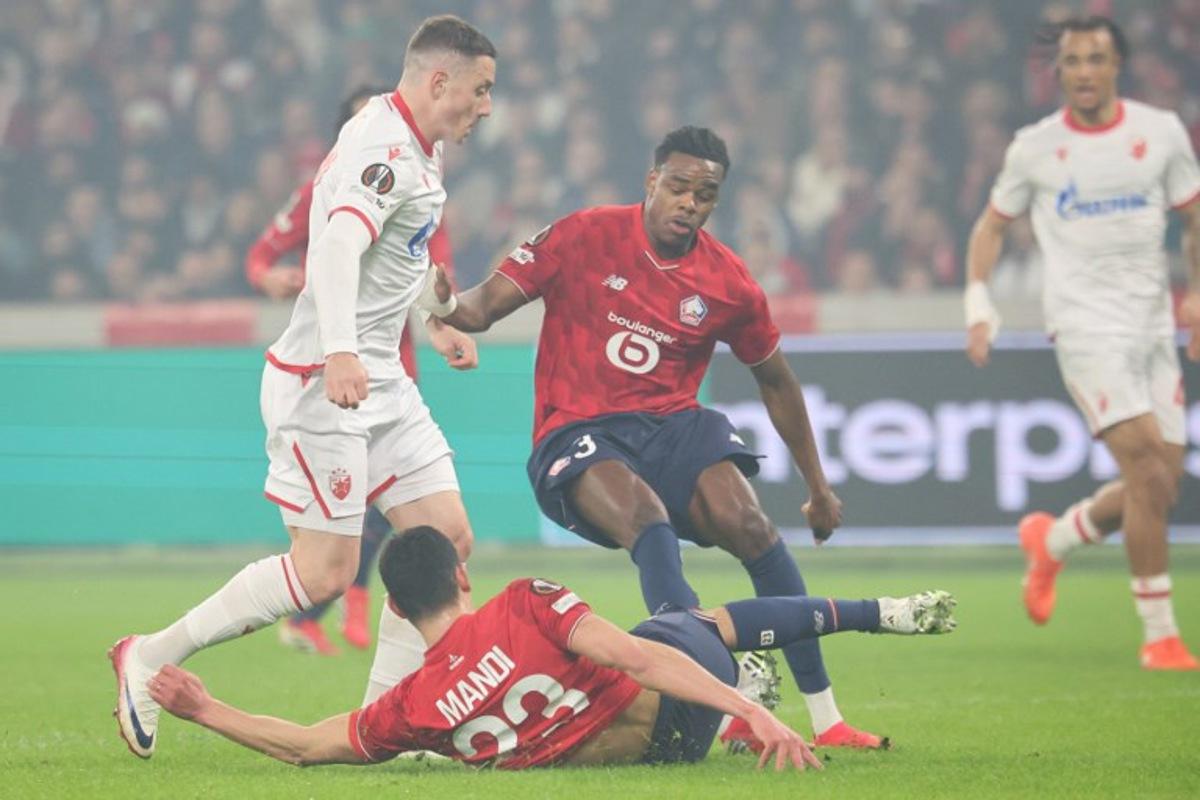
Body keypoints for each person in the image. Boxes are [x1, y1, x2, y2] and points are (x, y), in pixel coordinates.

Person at [110, 15, 497, 760]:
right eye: (479, 90)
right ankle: (150, 655)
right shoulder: (382, 149)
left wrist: (436, 318)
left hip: (381, 374)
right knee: (326, 571)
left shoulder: (423, 145)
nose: (486, 105)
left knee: (445, 536)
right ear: (438, 80)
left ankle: (390, 724)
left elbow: (394, 252)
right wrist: (342, 351)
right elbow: (338, 245)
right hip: (326, 380)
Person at [427, 126, 886, 749]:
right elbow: (479, 310)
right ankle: (715, 709)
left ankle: (826, 719)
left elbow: (777, 382)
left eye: (705, 194)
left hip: (671, 426)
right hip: (577, 429)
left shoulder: (727, 282)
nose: (689, 203)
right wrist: (445, 301)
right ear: (651, 182)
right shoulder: (582, 234)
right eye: (678, 187)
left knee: (750, 526)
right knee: (648, 519)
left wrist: (818, 486)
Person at [148, 526, 957, 770]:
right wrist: (751, 710)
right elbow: (634, 661)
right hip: (677, 697)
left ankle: (757, 677)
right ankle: (869, 613)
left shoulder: (412, 709)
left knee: (672, 631)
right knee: (691, 624)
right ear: (463, 575)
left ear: (393, 606)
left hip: (656, 756)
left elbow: (302, 746)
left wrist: (204, 706)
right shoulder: (523, 602)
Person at [963, 15, 1200, 670]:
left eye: (1096, 59)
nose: (1085, 72)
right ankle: (1159, 635)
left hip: (1152, 325)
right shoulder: (1035, 147)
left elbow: (1193, 217)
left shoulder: (1160, 134)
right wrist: (979, 304)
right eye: (1072, 61)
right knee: (1148, 469)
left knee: (1162, 483)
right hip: (1085, 325)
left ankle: (1055, 539)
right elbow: (990, 227)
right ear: (1059, 71)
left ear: (1117, 65)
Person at [245, 85, 460, 656]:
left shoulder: (422, 172)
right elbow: (273, 253)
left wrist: (440, 320)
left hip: (392, 370)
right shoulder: (334, 183)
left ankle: (371, 644)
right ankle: (328, 608)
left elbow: (426, 268)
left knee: (425, 526)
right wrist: (270, 279)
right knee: (344, 540)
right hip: (336, 367)